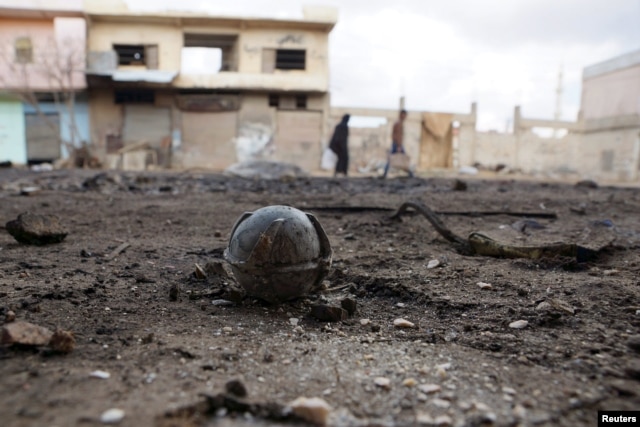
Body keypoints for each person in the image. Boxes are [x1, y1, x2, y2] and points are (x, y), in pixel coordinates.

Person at [381, 109, 413, 178]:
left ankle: (410, 173)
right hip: (397, 144)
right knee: (400, 158)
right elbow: (396, 135)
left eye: (405, 115)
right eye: (404, 115)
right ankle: (411, 174)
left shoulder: (399, 123)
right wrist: (399, 145)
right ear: (401, 115)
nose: (405, 117)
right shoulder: (398, 124)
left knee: (393, 158)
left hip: (397, 144)